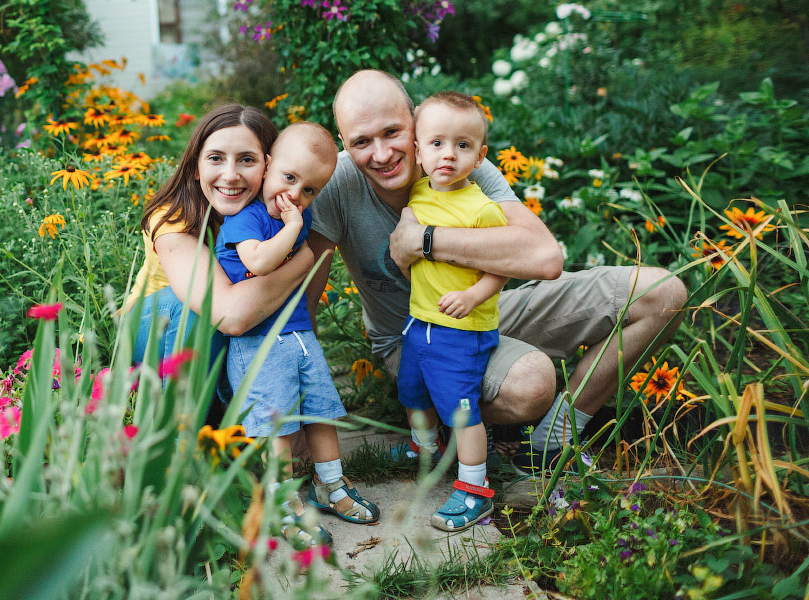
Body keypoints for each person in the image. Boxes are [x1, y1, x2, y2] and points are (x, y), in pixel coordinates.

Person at [306, 70, 687, 475]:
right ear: (343, 142)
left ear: (414, 120)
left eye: (392, 132)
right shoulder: (337, 184)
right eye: (361, 142)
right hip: (413, 337)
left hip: (482, 310)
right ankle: (448, 426)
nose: (382, 154)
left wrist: (426, 240)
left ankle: (556, 435)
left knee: (662, 293)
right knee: (531, 385)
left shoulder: (457, 161)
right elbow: (304, 306)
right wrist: (302, 420)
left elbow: (545, 258)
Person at [216, 122, 379, 547]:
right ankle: (283, 503)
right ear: (268, 166)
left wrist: (295, 225)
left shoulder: (296, 217)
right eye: (288, 178)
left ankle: (332, 485)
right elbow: (260, 262)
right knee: (279, 429)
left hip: (300, 336)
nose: (294, 195)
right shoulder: (245, 218)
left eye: (309, 190)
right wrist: (293, 226)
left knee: (321, 414)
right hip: (259, 343)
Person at [125, 103, 314, 373]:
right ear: (196, 167)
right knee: (195, 309)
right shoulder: (173, 219)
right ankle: (178, 400)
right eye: (215, 158)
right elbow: (231, 317)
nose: (230, 175)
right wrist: (305, 260)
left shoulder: (279, 212)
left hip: (224, 333)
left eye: (247, 160)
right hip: (152, 328)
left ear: (268, 166)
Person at [397, 92, 506, 530]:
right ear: (418, 152)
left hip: (461, 330)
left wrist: (475, 295)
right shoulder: (419, 190)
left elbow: (501, 267)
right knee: (412, 393)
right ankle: (425, 449)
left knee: (462, 412)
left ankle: (475, 489)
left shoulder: (482, 210)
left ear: (480, 156)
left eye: (462, 145)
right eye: (437, 143)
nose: (448, 155)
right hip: (419, 322)